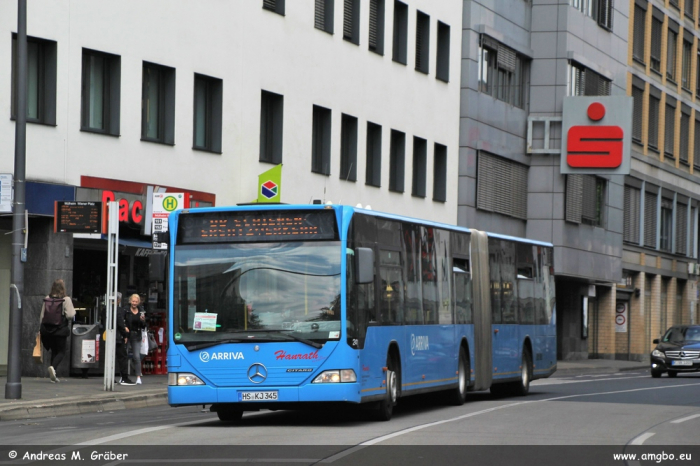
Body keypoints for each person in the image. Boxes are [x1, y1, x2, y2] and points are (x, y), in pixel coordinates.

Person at [39, 279, 76, 383]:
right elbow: (70, 315)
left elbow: (42, 315)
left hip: (47, 330)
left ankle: (53, 376)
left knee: (54, 351)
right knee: (61, 351)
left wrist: (40, 329)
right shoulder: (66, 299)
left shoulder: (47, 298)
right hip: (60, 330)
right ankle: (53, 368)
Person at [124, 293, 147, 385]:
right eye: (133, 301)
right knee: (124, 355)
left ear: (138, 302)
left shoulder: (141, 311)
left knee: (137, 357)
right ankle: (124, 376)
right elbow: (122, 320)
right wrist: (125, 328)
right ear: (130, 301)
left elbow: (144, 326)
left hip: (136, 335)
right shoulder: (126, 309)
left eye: (136, 302)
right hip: (127, 335)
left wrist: (143, 321)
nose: (134, 303)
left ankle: (138, 376)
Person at [115, 292, 136, 385]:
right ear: (118, 300)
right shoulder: (119, 310)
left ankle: (110, 377)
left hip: (107, 336)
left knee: (110, 357)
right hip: (118, 337)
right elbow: (120, 324)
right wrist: (125, 335)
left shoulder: (105, 309)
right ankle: (124, 377)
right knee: (122, 357)